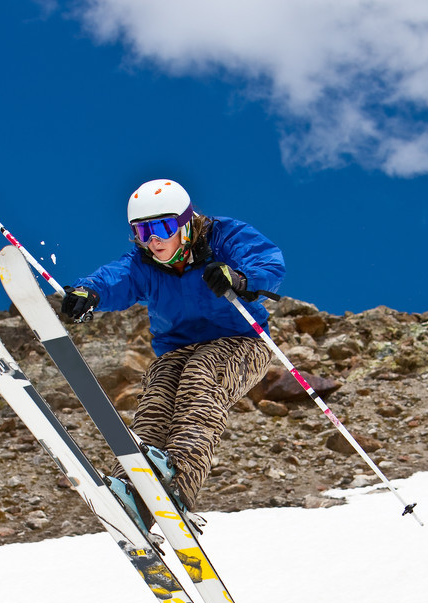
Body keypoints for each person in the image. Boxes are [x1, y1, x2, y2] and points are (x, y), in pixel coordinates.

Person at [61, 178, 285, 528]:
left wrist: (240, 278)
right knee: (158, 396)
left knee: (201, 376)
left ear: (185, 222)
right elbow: (116, 278)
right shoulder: (144, 263)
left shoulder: (221, 237)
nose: (154, 241)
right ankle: (133, 489)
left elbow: (267, 262)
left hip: (243, 343)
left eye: (163, 228)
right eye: (142, 232)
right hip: (176, 347)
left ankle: (180, 480)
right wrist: (89, 292)